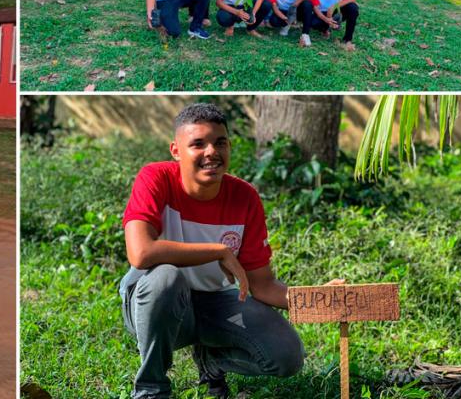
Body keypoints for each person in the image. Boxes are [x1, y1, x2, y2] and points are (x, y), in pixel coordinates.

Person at [120, 103, 338, 399]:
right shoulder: (155, 178)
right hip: (155, 303)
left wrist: (316, 301)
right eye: (198, 144)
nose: (211, 151)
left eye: (219, 142)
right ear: (176, 151)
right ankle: (151, 390)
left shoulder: (244, 197)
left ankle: (212, 360)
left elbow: (261, 285)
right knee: (166, 278)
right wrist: (218, 251)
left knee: (287, 355)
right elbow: (141, 253)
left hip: (215, 302)